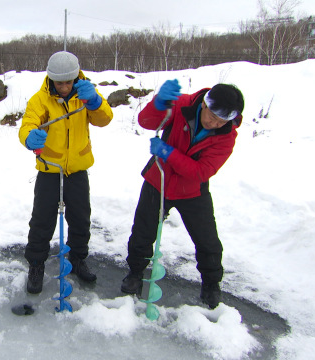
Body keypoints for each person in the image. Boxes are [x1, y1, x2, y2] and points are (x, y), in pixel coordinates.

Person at [122, 79, 244, 309]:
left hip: (192, 191)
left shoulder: (226, 135)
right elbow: (145, 121)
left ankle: (211, 283)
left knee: (207, 240)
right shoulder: (181, 105)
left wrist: (168, 152)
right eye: (212, 116)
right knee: (143, 232)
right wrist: (159, 103)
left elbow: (201, 171)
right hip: (158, 181)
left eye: (222, 120)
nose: (215, 123)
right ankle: (135, 272)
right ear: (205, 105)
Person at [18, 51, 113, 294]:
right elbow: (28, 123)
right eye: (59, 82)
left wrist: (94, 102)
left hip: (78, 170)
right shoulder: (40, 99)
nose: (63, 87)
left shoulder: (86, 93)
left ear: (75, 77)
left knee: (81, 218)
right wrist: (29, 137)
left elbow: (104, 119)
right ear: (51, 79)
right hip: (50, 170)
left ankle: (78, 258)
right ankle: (36, 265)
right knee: (41, 220)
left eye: (67, 82)